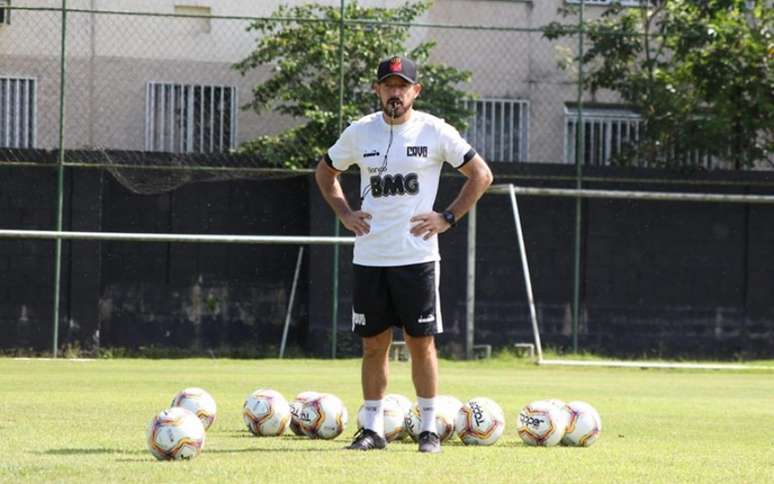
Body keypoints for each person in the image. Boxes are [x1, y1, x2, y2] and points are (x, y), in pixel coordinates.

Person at [314, 56, 493, 453]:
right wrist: (344, 212)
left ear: (416, 91)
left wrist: (448, 216)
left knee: (421, 343)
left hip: (417, 258)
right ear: (377, 90)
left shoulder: (434, 130)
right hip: (371, 257)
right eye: (388, 85)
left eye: (402, 86)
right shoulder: (360, 133)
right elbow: (325, 172)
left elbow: (481, 175)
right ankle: (371, 429)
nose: (395, 93)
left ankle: (428, 429)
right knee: (373, 346)